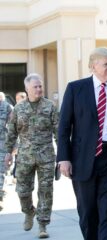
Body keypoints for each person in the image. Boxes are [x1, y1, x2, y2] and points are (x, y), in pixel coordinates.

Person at [57, 47, 107, 240]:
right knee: (87, 213)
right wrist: (63, 158)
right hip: (83, 159)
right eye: (106, 64)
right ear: (93, 66)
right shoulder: (75, 89)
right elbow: (63, 128)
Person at [4, 73, 58, 238]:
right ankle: (29, 211)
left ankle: (43, 224)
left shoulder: (50, 106)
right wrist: (8, 153)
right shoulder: (19, 109)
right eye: (35, 86)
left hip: (46, 156)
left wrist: (64, 153)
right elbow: (11, 132)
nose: (39, 89)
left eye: (40, 86)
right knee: (22, 190)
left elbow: (58, 131)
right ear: (27, 89)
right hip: (25, 157)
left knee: (46, 191)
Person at [0, 92, 12, 211]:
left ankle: (0, 197)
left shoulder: (7, 107)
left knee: (1, 172)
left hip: (3, 146)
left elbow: (14, 127)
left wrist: (14, 147)